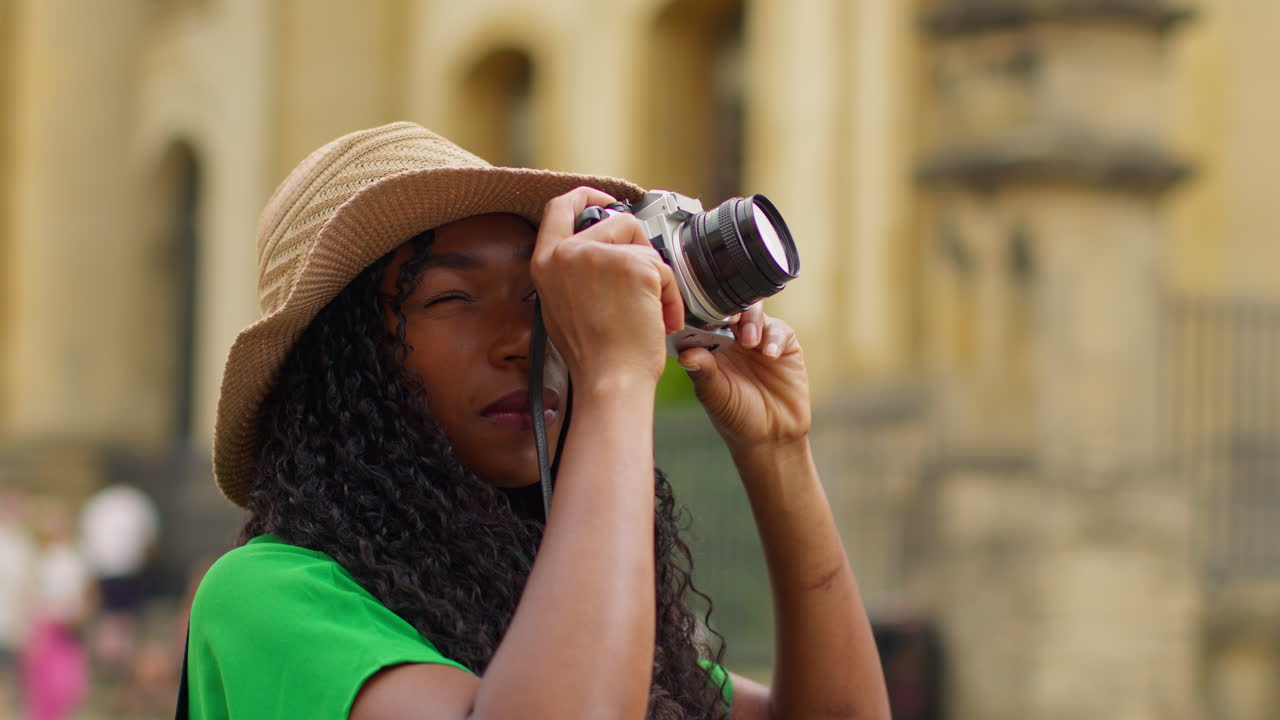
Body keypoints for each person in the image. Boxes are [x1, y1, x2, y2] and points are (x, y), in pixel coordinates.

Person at [187, 121, 889, 720]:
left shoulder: (533, 585)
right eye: (452, 297)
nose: (523, 339)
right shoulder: (267, 595)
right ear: (341, 371)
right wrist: (614, 378)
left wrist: (775, 449)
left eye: (538, 293)